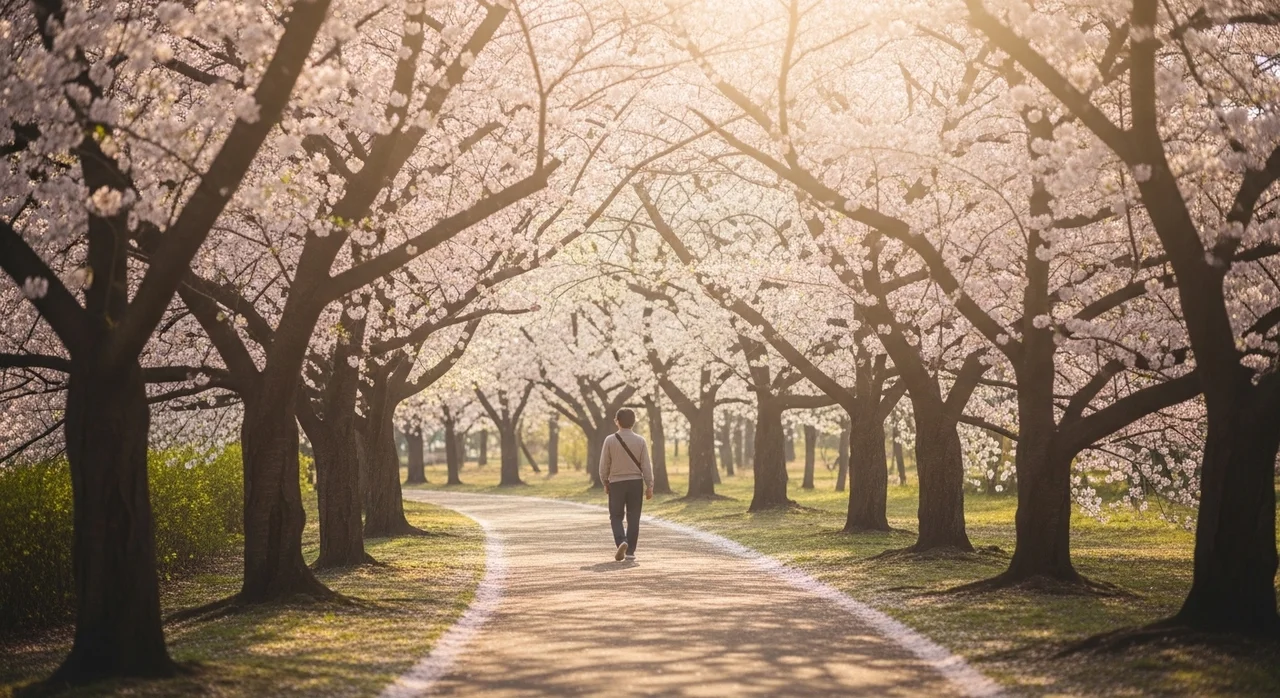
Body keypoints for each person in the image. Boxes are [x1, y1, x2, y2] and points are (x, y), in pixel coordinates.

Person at [599, 408, 654, 561]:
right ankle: (630, 551)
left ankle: (621, 541)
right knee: (634, 516)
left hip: (616, 483)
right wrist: (649, 485)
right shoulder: (640, 440)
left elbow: (604, 465)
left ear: (617, 421)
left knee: (616, 516)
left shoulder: (610, 440)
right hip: (636, 483)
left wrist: (605, 481)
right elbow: (646, 465)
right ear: (633, 422)